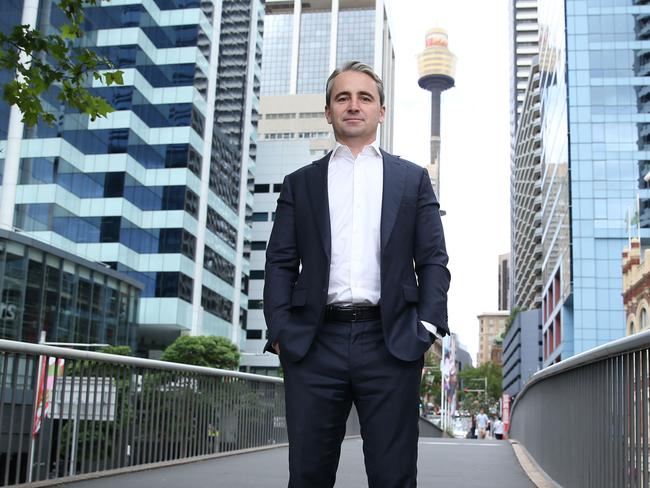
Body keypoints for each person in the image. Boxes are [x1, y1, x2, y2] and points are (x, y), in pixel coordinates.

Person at [263, 61, 451, 488]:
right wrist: (280, 331)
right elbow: (279, 262)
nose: (354, 105)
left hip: (391, 343)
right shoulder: (300, 184)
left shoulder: (412, 179)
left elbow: (434, 259)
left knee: (393, 475)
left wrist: (425, 326)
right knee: (308, 474)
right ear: (328, 111)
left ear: (381, 111)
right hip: (313, 344)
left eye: (365, 97)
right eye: (342, 97)